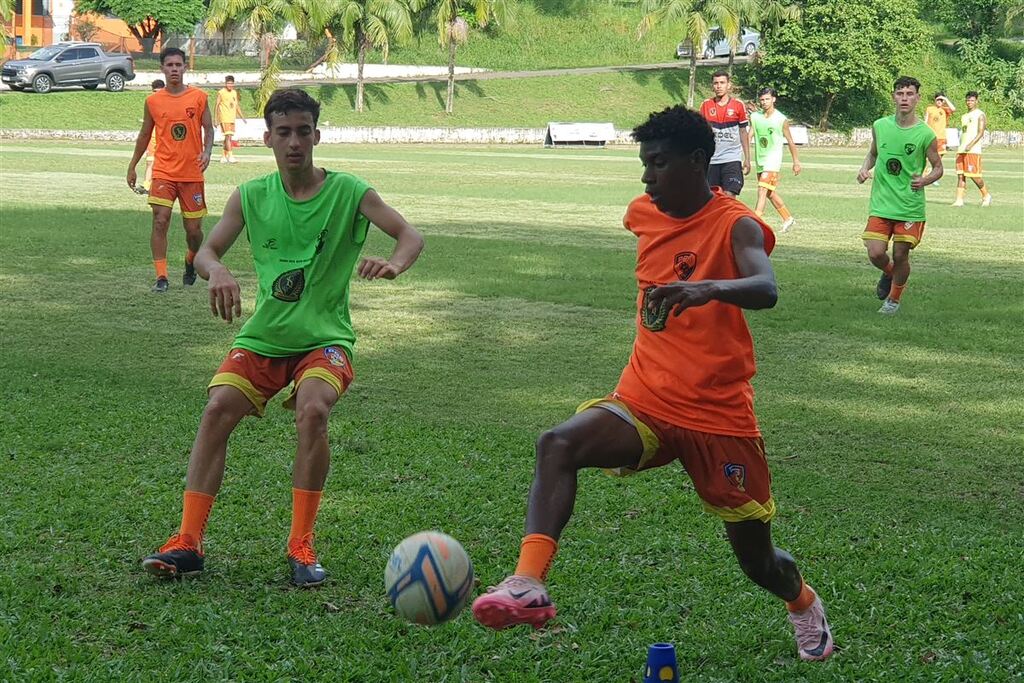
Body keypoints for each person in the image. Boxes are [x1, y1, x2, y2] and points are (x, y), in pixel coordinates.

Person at [471, 105, 834, 662]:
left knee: (758, 563)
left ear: (697, 161)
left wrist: (707, 289)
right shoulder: (642, 212)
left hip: (718, 416)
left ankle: (803, 601)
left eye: (658, 163)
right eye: (644, 163)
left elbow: (765, 288)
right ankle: (527, 583)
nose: (647, 177)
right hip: (645, 397)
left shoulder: (735, 222)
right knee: (557, 443)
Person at [140, 89, 424, 587]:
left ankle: (301, 544)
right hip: (264, 337)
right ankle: (187, 541)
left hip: (325, 339)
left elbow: (410, 235)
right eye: (284, 132)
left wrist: (395, 264)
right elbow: (206, 252)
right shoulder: (250, 195)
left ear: (318, 135)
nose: (294, 142)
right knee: (216, 410)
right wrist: (218, 270)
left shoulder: (351, 191)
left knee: (313, 409)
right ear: (267, 137)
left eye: (304, 131)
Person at [126, 47, 214, 293]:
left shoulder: (199, 97)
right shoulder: (153, 101)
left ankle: (190, 260)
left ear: (185, 67)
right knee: (160, 220)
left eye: (178, 64)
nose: (174, 69)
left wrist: (207, 152)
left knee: (194, 231)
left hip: (192, 173)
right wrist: (133, 165)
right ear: (162, 68)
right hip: (164, 171)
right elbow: (145, 135)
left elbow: (209, 128)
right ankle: (161, 277)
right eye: (170, 65)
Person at [856, 76, 942, 315]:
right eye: (900, 93)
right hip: (882, 203)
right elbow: (872, 154)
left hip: (909, 206)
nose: (905, 98)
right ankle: (890, 272)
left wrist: (924, 180)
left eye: (909, 94)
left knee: (900, 253)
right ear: (893, 96)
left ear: (917, 98)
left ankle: (893, 300)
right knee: (875, 252)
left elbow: (938, 167)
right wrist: (864, 169)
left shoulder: (925, 134)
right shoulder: (880, 125)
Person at [749, 87, 801, 232]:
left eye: (767, 99)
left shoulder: (781, 119)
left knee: (762, 190)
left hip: (773, 160)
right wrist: (745, 156)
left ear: (773, 99)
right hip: (760, 159)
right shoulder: (755, 117)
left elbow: (790, 141)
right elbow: (749, 135)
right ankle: (787, 218)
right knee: (769, 192)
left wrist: (796, 161)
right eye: (762, 100)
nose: (764, 102)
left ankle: (755, 222)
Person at [699, 71, 750, 196]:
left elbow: (743, 132)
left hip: (732, 158)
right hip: (712, 160)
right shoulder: (706, 105)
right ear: (712, 86)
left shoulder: (738, 105)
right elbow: (700, 134)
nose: (719, 86)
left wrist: (747, 158)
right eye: (716, 83)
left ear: (728, 85)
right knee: (712, 199)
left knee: (729, 195)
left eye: (722, 82)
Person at [952, 91, 992, 207]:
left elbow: (980, 133)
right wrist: (962, 145)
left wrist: (971, 144)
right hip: (961, 149)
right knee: (961, 175)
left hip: (973, 150)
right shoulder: (964, 116)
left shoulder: (980, 114)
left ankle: (986, 195)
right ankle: (959, 200)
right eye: (968, 100)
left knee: (974, 176)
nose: (969, 102)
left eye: (972, 100)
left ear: (976, 101)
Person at [133, 79, 165, 196]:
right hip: (153, 135)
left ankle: (159, 186)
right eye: (154, 91)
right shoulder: (150, 103)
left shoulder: (169, 102)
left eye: (159, 91)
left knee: (163, 163)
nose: (156, 94)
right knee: (150, 161)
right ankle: (146, 185)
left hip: (164, 137)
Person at [215, 75, 246, 164]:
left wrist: (242, 117)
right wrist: (216, 119)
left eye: (231, 83)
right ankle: (230, 155)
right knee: (228, 137)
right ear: (225, 84)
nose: (230, 85)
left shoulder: (234, 93)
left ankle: (223, 156)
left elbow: (236, 106)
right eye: (228, 83)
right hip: (224, 117)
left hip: (232, 118)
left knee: (228, 137)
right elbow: (216, 105)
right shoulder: (221, 92)